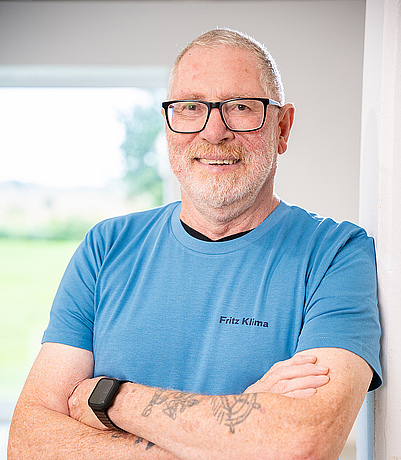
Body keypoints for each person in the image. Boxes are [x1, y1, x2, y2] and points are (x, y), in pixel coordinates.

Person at [8, 28, 381, 459]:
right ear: (168, 126)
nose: (214, 131)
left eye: (241, 107)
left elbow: (302, 443)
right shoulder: (106, 248)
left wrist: (113, 400)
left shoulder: (336, 254)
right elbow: (27, 441)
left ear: (282, 127)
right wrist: (241, 421)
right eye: (190, 107)